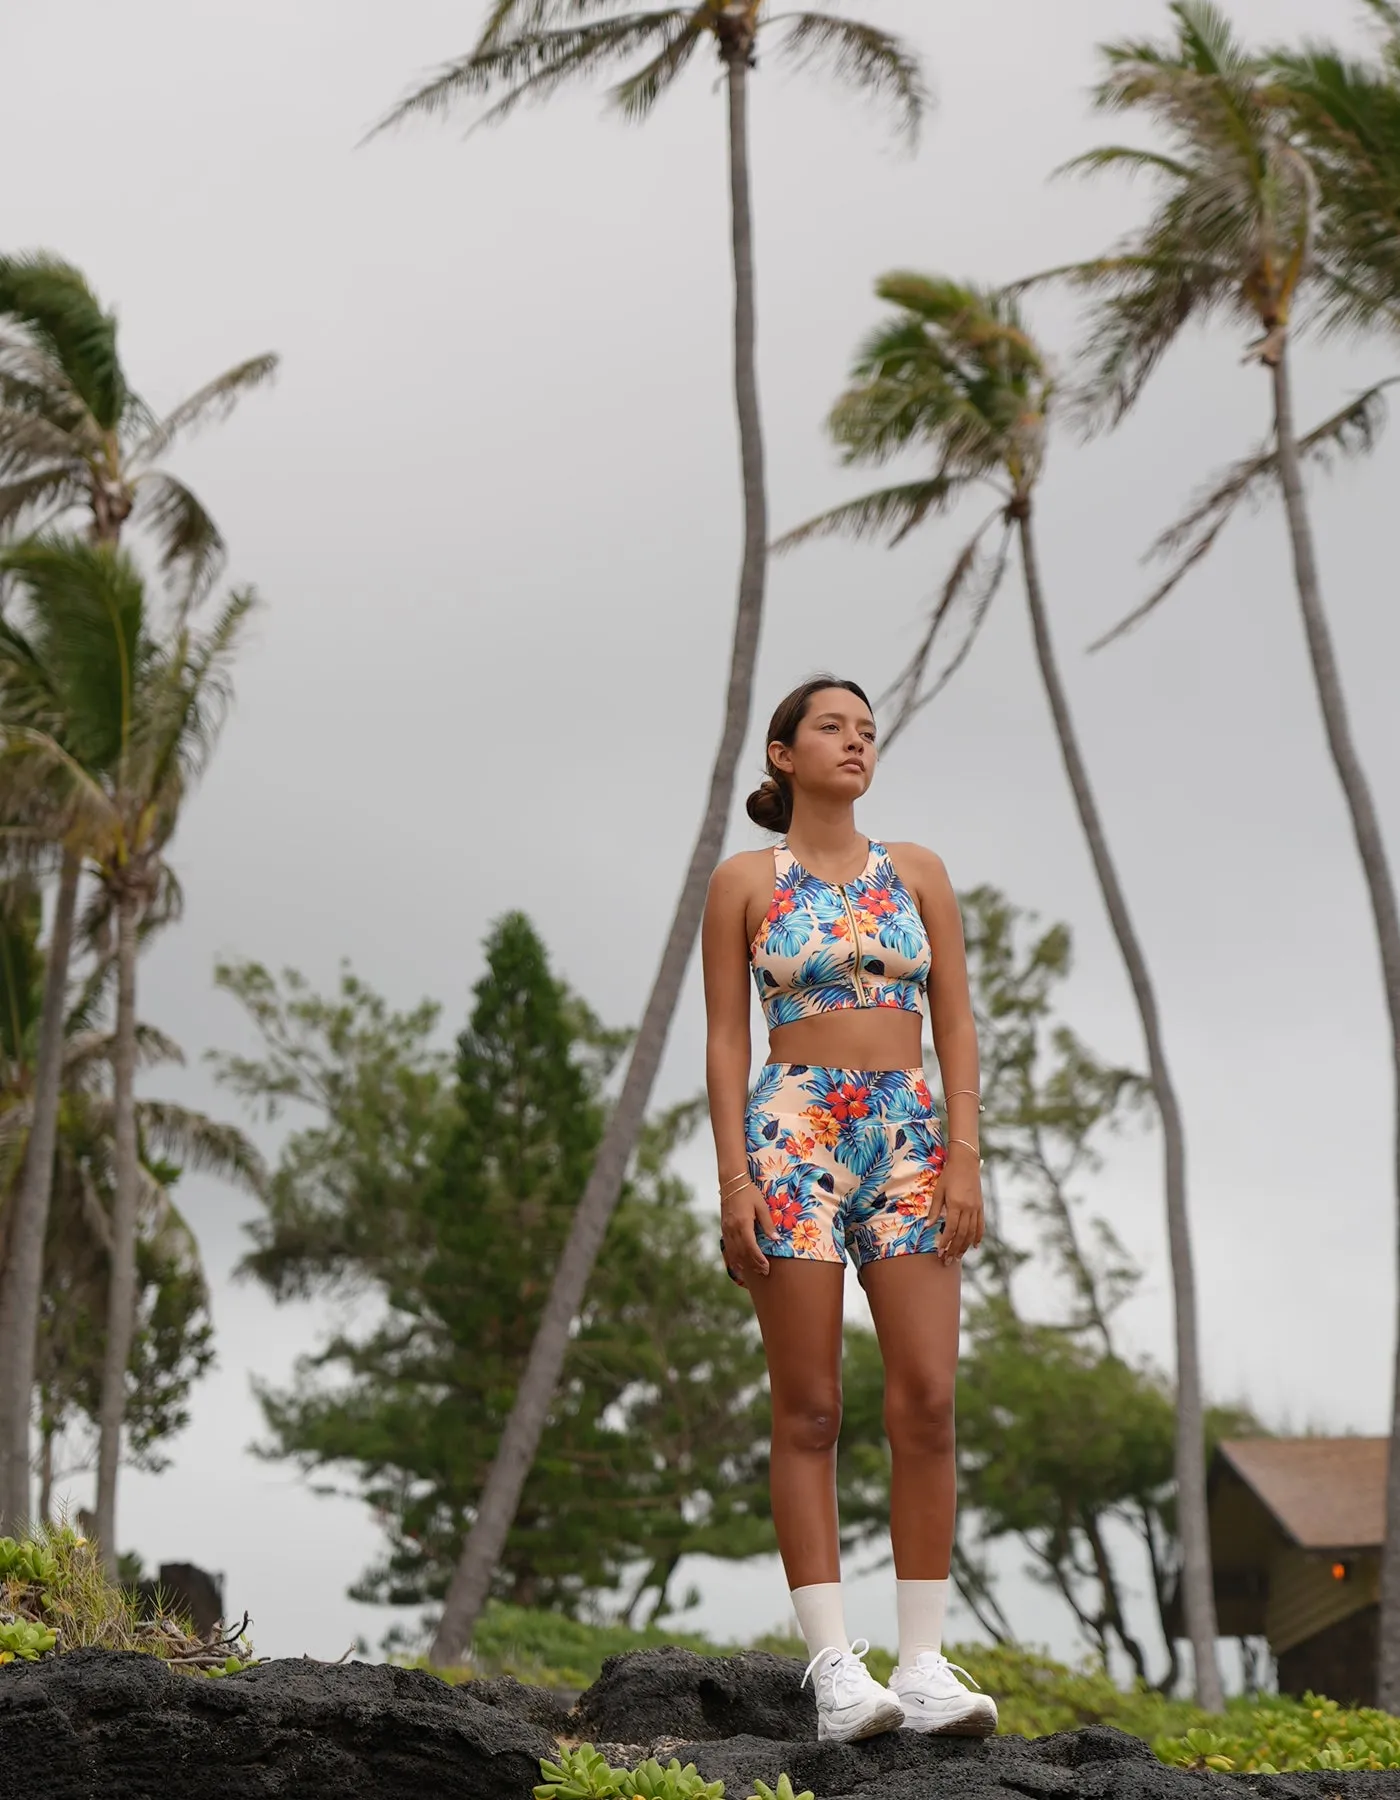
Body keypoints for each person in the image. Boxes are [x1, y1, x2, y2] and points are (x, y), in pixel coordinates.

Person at [701, 675, 996, 1745]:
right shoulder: (743, 880)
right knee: (809, 1406)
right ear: (782, 754)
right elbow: (726, 1041)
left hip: (910, 1134)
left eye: (866, 732)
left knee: (924, 1398)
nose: (854, 743)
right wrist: (734, 1179)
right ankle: (834, 1670)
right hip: (791, 1135)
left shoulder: (915, 871)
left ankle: (920, 1665)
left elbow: (955, 1023)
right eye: (830, 727)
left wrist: (961, 1154)